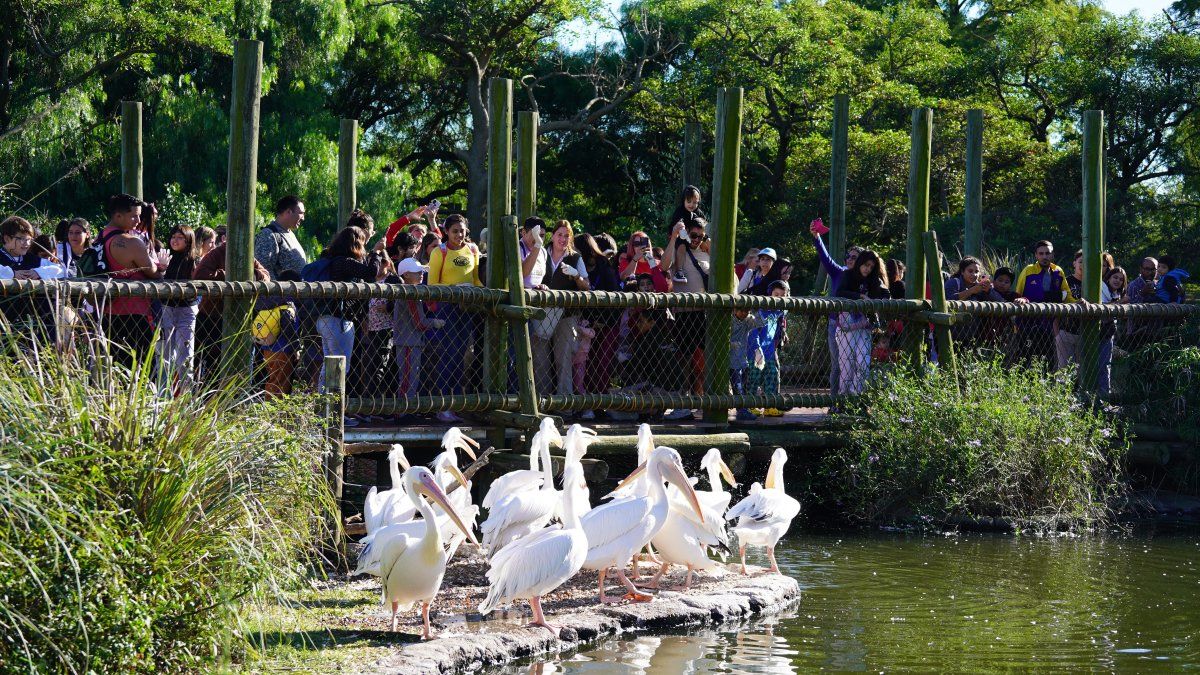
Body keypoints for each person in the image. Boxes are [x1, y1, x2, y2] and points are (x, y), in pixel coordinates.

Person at [95, 194, 164, 365]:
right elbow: (153, 273)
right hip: (135, 315)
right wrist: (160, 266)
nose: (138, 220)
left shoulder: (100, 237)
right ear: (118, 216)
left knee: (116, 371)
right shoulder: (131, 242)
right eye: (134, 215)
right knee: (143, 372)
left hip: (107, 313)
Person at [427, 214, 482, 422]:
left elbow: (476, 279)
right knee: (448, 355)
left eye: (462, 230)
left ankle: (457, 405)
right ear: (447, 232)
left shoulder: (473, 250)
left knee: (461, 356)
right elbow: (432, 285)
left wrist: (486, 294)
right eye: (455, 231)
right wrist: (453, 290)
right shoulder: (439, 252)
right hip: (446, 309)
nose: (459, 235)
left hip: (466, 309)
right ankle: (442, 406)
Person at [191, 237, 270, 382]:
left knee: (238, 361)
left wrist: (253, 275)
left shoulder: (247, 255)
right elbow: (199, 275)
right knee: (208, 366)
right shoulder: (216, 254)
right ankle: (206, 399)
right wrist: (228, 276)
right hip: (211, 318)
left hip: (239, 318)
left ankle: (234, 397)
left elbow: (266, 276)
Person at [531, 220, 589, 398]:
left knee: (562, 359)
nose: (562, 239)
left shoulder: (575, 258)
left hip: (566, 315)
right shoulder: (541, 253)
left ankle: (564, 402)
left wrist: (576, 275)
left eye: (567, 235)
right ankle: (542, 401)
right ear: (553, 235)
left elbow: (586, 286)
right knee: (540, 360)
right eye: (560, 234)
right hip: (542, 313)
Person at [662, 216, 712, 420]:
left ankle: (704, 402)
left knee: (703, 361)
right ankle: (683, 403)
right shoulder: (679, 251)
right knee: (684, 360)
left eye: (701, 236)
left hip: (705, 313)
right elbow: (664, 266)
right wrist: (674, 237)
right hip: (684, 313)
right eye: (693, 235)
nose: (697, 239)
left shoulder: (707, 253)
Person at [811, 218, 863, 397]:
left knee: (856, 364)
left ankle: (853, 401)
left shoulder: (864, 279)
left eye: (854, 257)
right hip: (836, 324)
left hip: (857, 326)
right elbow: (825, 258)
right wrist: (817, 237)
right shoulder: (839, 272)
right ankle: (835, 402)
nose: (849, 259)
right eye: (848, 256)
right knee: (837, 365)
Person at [0, 216, 69, 343]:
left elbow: (62, 270)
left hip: (35, 325)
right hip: (6, 322)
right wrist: (12, 274)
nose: (27, 244)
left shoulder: (33, 260)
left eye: (29, 239)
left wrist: (38, 272)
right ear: (7, 238)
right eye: (21, 239)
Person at [576, 232, 621, 419]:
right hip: (587, 325)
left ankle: (600, 405)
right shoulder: (582, 269)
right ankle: (584, 403)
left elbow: (616, 298)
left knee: (602, 364)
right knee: (585, 364)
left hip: (607, 324)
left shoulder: (605, 269)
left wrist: (604, 321)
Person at [835, 249, 889, 396]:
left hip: (864, 327)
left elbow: (884, 293)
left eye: (871, 267)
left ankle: (856, 396)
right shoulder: (848, 275)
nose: (867, 269)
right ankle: (842, 398)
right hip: (847, 327)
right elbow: (839, 292)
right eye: (866, 265)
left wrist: (882, 296)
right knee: (847, 365)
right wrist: (860, 296)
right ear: (860, 263)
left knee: (863, 363)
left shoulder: (873, 281)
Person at [1011, 240, 1072, 367]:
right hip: (1027, 325)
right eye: (1041, 253)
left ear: (1052, 255)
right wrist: (1022, 299)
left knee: (1047, 362)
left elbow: (1067, 295)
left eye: (1047, 253)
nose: (1044, 256)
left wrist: (1078, 302)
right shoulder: (1028, 270)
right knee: (1025, 360)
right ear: (1036, 255)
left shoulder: (1058, 272)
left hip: (1049, 326)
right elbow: (1018, 294)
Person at [392, 257, 442, 405]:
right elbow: (419, 323)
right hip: (408, 342)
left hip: (412, 341)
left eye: (422, 271)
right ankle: (403, 411)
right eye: (417, 272)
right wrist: (435, 322)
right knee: (408, 378)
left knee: (412, 377)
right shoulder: (410, 294)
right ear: (406, 275)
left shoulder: (414, 292)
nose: (421, 274)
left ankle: (408, 408)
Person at [157, 225, 200, 394]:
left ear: (189, 239)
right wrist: (161, 269)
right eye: (173, 236)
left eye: (180, 237)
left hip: (186, 311)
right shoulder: (167, 258)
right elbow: (159, 281)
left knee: (185, 355)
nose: (175, 240)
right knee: (165, 355)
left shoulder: (194, 260)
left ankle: (184, 396)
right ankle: (163, 394)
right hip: (167, 308)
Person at [747, 280, 791, 415]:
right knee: (754, 378)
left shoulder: (778, 312)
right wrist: (756, 349)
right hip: (756, 351)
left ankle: (770, 406)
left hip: (770, 350)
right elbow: (753, 332)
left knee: (772, 375)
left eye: (782, 296)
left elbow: (785, 310)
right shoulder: (761, 312)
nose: (778, 298)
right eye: (776, 294)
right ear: (769, 294)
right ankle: (749, 405)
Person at [945, 256, 1003, 348]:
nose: (974, 274)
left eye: (976, 272)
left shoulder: (981, 287)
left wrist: (989, 291)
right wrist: (971, 291)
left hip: (972, 337)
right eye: (970, 271)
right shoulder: (953, 282)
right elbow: (948, 300)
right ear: (962, 272)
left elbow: (1001, 302)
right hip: (949, 334)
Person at [254, 195, 309, 280]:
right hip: (281, 292)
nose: (303, 218)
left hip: (296, 291)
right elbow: (263, 271)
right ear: (288, 212)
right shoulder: (268, 235)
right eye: (301, 213)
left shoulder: (289, 233)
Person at [731, 308, 764, 421]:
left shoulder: (747, 320)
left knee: (744, 386)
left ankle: (744, 408)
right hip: (730, 361)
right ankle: (741, 410)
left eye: (747, 311)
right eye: (742, 310)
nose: (744, 313)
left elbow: (760, 323)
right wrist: (731, 344)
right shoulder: (729, 320)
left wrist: (755, 310)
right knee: (737, 386)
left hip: (742, 360)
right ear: (735, 310)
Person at [519, 217, 547, 289]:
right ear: (524, 233)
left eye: (542, 236)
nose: (538, 238)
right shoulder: (517, 248)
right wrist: (537, 245)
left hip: (535, 298)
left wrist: (540, 286)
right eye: (535, 234)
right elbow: (522, 274)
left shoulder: (543, 252)